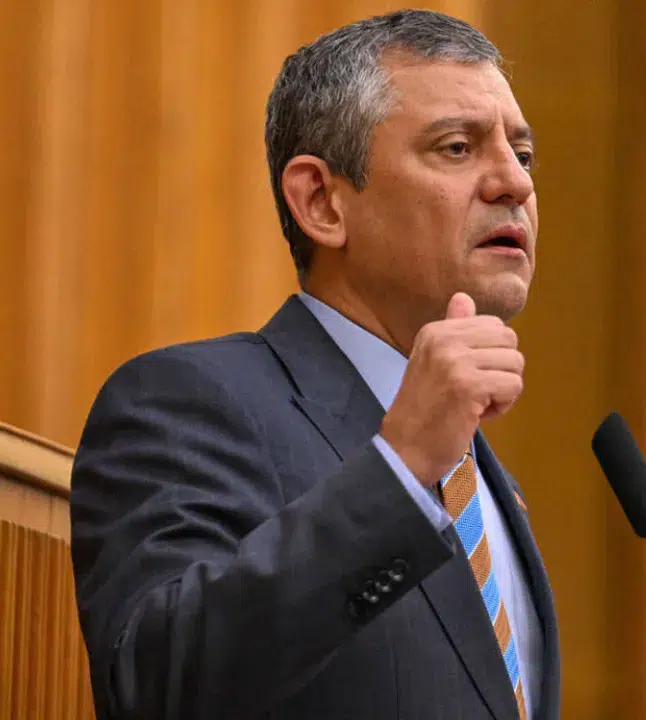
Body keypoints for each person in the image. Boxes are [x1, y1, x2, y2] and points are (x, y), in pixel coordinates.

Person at [69, 9, 558, 720]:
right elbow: (158, 683)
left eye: (524, 154)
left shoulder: (484, 483)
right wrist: (402, 469)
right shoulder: (189, 404)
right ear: (322, 202)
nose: (514, 182)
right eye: (457, 148)